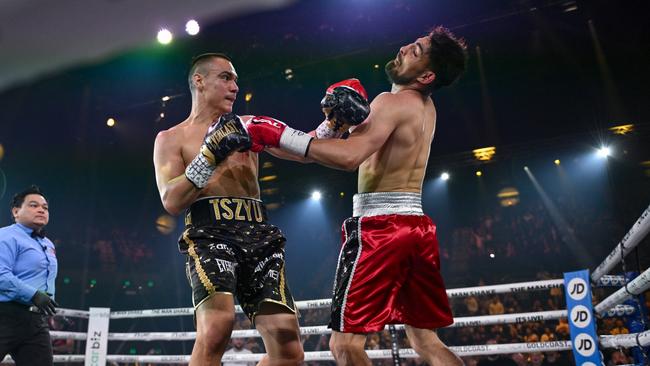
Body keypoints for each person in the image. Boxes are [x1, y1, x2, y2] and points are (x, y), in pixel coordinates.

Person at [246, 26, 468, 365]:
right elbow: (319, 148)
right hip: (417, 227)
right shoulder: (425, 108)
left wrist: (281, 133)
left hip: (382, 227)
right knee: (426, 341)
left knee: (345, 345)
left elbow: (350, 157)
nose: (406, 46)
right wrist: (288, 138)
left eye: (417, 50)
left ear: (427, 75)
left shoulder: (390, 103)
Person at [152, 53, 303, 365]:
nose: (235, 86)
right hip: (210, 233)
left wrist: (333, 125)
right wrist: (210, 154)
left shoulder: (249, 127)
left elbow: (304, 149)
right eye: (226, 77)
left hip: (259, 233)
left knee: (288, 348)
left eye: (235, 79)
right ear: (199, 81)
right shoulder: (171, 138)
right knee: (217, 328)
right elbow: (172, 199)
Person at [0, 185, 58, 366]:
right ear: (16, 212)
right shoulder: (6, 236)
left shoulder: (48, 244)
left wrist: (49, 301)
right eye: (33, 205)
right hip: (4, 314)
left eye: (45, 207)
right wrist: (33, 294)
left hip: (35, 321)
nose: (41, 209)